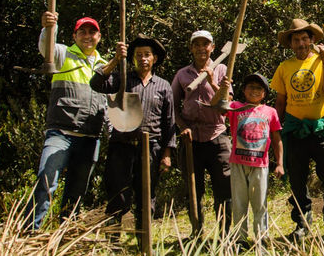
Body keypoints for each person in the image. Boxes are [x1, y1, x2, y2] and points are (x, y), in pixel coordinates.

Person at [25, 13, 107, 230]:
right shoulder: (63, 54)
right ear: (75, 35)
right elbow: (46, 47)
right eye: (83, 32)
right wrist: (49, 27)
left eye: (92, 32)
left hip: (90, 137)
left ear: (99, 36)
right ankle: (29, 230)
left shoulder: (105, 66)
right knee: (46, 179)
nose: (87, 36)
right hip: (61, 133)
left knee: (77, 190)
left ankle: (66, 232)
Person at [89, 34, 176, 230]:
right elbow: (96, 84)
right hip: (121, 145)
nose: (143, 59)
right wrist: (115, 60)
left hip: (151, 147)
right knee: (117, 194)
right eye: (138, 55)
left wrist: (167, 153)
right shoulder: (122, 79)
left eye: (147, 55)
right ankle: (113, 240)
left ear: (154, 58)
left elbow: (169, 122)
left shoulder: (163, 86)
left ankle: (143, 241)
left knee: (146, 195)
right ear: (133, 58)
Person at [270, 18, 324, 240]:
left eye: (305, 38)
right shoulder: (285, 67)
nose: (301, 43)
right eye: (296, 40)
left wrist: (323, 60)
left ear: (312, 40)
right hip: (295, 129)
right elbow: (280, 102)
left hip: (323, 127)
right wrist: (275, 129)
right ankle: (302, 223)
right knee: (297, 179)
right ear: (291, 44)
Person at [211, 73, 284, 244]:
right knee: (239, 203)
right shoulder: (236, 107)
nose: (254, 90)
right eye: (250, 86)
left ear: (264, 94)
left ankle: (261, 239)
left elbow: (276, 139)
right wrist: (223, 87)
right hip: (237, 163)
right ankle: (240, 239)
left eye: (259, 88)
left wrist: (280, 163)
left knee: (260, 204)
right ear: (243, 90)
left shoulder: (270, 112)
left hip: (260, 165)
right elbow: (218, 107)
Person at [171, 30, 231, 232]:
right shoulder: (182, 74)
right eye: (196, 44)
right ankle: (197, 232)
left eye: (205, 44)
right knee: (193, 189)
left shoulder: (222, 68)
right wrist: (183, 126)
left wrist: (213, 81)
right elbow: (172, 106)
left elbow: (227, 105)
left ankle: (224, 234)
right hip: (191, 140)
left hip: (217, 136)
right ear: (191, 48)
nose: (200, 48)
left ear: (212, 47)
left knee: (224, 188)